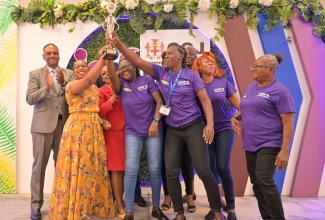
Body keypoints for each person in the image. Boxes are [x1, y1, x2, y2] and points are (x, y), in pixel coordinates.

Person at [111, 31, 226, 220]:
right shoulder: (160, 72)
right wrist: (119, 43)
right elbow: (137, 61)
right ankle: (179, 215)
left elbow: (205, 101)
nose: (165, 56)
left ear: (180, 56)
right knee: (171, 172)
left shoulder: (191, 76)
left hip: (193, 126)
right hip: (173, 130)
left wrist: (210, 124)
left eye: (169, 54)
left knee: (204, 170)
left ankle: (217, 211)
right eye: (164, 54)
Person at [48, 51, 115, 219]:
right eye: (77, 67)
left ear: (87, 67)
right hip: (77, 131)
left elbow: (96, 107)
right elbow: (89, 80)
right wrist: (103, 58)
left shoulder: (94, 89)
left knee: (91, 169)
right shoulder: (71, 85)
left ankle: (89, 207)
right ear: (73, 71)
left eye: (83, 66)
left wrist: (102, 120)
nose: (80, 68)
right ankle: (76, 210)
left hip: (94, 130)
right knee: (78, 168)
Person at [231, 53, 295, 220]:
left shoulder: (281, 92)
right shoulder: (251, 87)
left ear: (271, 69)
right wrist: (236, 116)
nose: (253, 69)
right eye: (253, 65)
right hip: (250, 143)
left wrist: (284, 151)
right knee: (257, 184)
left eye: (258, 66)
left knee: (264, 181)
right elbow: (247, 108)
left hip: (270, 143)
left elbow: (288, 123)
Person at [106, 57, 168, 220]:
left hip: (153, 131)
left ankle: (155, 207)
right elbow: (112, 77)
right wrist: (109, 60)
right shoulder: (121, 85)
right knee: (131, 169)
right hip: (133, 132)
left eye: (128, 66)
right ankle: (129, 212)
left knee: (155, 169)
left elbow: (160, 101)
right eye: (122, 67)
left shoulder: (147, 80)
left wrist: (155, 121)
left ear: (135, 67)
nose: (125, 69)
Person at [26, 43, 74, 220]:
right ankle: (35, 206)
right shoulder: (35, 74)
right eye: (48, 53)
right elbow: (30, 98)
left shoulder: (69, 74)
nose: (52, 55)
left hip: (65, 126)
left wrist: (64, 83)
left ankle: (61, 203)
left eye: (55, 53)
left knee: (62, 168)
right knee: (39, 167)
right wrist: (46, 88)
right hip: (42, 127)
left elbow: (75, 95)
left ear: (59, 56)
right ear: (43, 56)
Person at [192, 51, 240, 220]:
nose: (211, 64)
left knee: (222, 167)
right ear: (199, 67)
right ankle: (215, 207)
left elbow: (240, 107)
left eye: (212, 62)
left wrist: (234, 118)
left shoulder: (223, 82)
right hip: (205, 131)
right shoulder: (195, 85)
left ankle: (232, 208)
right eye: (207, 62)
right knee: (210, 171)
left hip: (224, 128)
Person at [99, 66, 126, 219]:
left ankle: (119, 200)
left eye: (108, 72)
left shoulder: (126, 85)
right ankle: (119, 205)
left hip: (130, 131)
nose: (107, 75)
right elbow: (100, 111)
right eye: (103, 74)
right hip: (113, 133)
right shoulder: (101, 91)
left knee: (123, 170)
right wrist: (112, 97)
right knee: (116, 169)